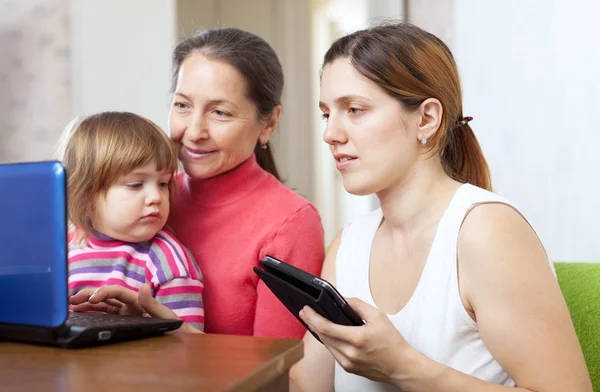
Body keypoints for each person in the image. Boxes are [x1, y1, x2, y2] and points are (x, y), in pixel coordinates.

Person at [82, 23, 592, 391]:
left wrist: (405, 368)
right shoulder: (348, 247)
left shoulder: (485, 231)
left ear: (426, 119)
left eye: (356, 110)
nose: (331, 134)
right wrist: (159, 322)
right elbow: (304, 385)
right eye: (327, 112)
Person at [69, 28, 326, 339]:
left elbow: (282, 371)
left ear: (268, 123)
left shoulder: (291, 223)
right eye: (182, 106)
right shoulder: (133, 203)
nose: (193, 132)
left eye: (219, 112)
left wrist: (175, 335)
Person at [59, 111, 205, 331]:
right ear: (86, 196)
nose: (156, 197)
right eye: (136, 185)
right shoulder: (64, 250)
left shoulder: (167, 262)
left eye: (163, 184)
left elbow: (192, 347)